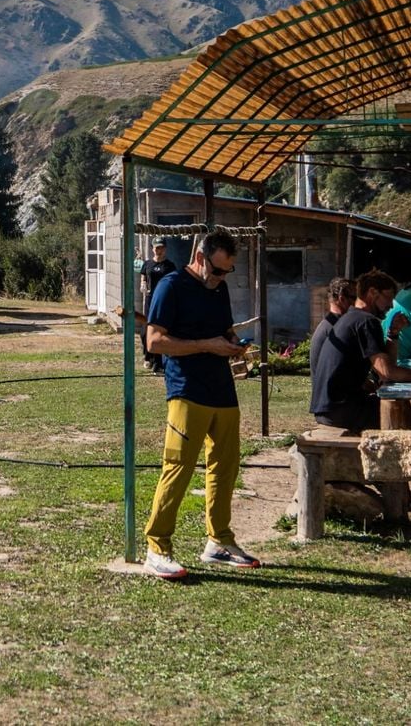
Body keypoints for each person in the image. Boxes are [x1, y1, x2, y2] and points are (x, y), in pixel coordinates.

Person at [141, 230, 260, 579]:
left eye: (228, 271)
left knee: (225, 468)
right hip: (186, 389)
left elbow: (224, 330)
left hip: (222, 389)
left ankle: (219, 540)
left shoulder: (219, 288)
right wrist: (207, 345)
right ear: (200, 257)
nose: (222, 278)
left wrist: (235, 343)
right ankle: (157, 546)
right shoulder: (171, 286)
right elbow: (155, 341)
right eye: (218, 270)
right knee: (178, 467)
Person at [309, 271, 411, 433]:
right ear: (372, 292)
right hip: (341, 410)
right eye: (389, 297)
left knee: (398, 406)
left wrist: (393, 334)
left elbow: (384, 371)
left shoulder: (352, 318)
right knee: (400, 412)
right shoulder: (366, 321)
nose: (391, 306)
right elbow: (388, 372)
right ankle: (400, 457)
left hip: (329, 409)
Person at [136, 240, 178, 372]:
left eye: (160, 248)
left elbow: (174, 280)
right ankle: (148, 357)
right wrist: (143, 283)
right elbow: (144, 274)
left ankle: (158, 362)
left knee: (160, 329)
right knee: (145, 330)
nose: (158, 250)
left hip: (163, 300)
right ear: (152, 249)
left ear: (164, 249)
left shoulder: (169, 265)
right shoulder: (148, 264)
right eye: (156, 248)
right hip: (150, 299)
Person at [309, 276, 355, 355]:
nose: (357, 302)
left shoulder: (329, 324)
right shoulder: (336, 328)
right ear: (342, 299)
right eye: (354, 298)